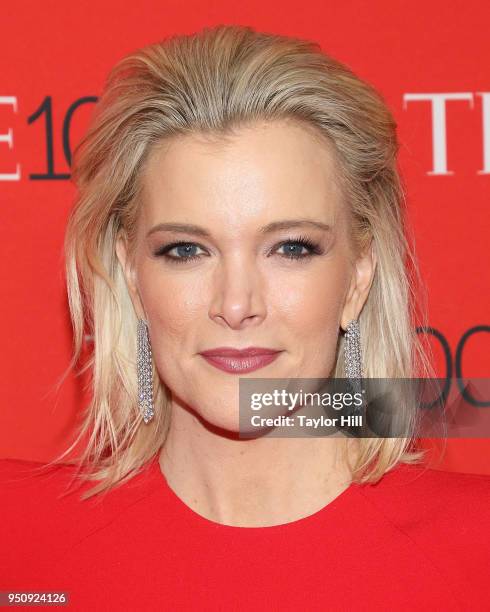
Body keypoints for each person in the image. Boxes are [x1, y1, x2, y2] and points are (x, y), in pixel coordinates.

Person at [1, 24, 489, 610]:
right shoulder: (17, 542)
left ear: (359, 275)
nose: (236, 305)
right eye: (185, 250)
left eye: (291, 248)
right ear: (131, 276)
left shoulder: (475, 550)